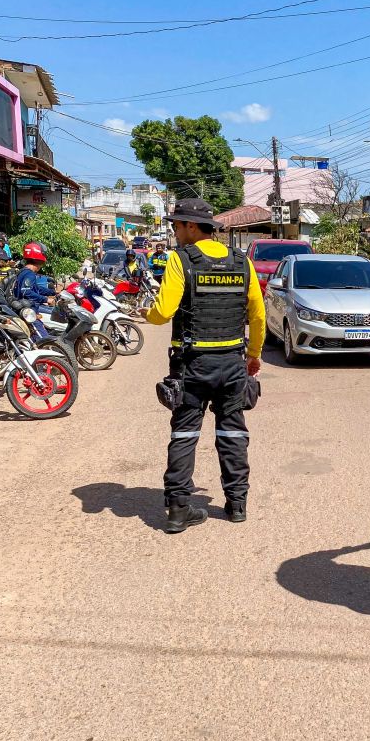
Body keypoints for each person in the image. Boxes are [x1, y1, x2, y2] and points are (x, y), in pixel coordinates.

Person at [140, 198, 265, 534]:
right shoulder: (242, 262)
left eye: (176, 226)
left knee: (184, 434)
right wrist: (253, 355)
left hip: (191, 366)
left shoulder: (181, 261)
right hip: (232, 364)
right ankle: (237, 504)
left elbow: (163, 312)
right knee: (233, 432)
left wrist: (146, 314)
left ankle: (178, 511)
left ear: (191, 227)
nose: (174, 232)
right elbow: (257, 313)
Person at [13, 242, 57, 338]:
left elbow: (35, 288)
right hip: (29, 312)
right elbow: (26, 291)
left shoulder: (23, 272)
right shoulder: (29, 274)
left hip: (28, 310)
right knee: (43, 339)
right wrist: (46, 299)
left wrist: (52, 292)